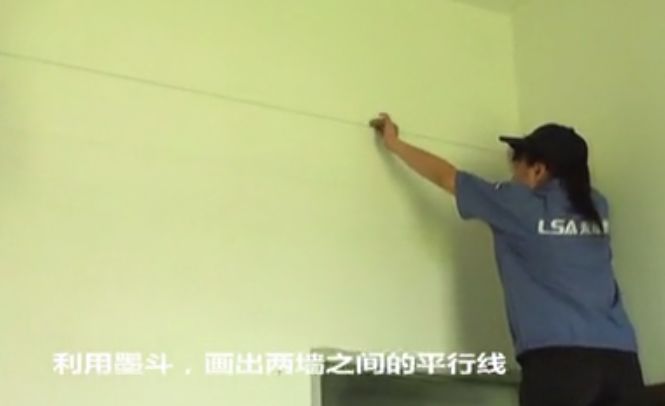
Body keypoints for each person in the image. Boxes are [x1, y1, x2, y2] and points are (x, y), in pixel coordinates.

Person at [369, 113, 647, 406]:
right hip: (622, 363)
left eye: (517, 166)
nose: (513, 175)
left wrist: (394, 143)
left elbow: (448, 178)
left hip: (559, 364)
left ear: (538, 169)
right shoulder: (598, 207)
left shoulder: (518, 204)